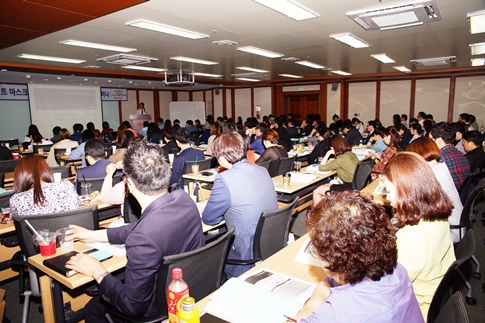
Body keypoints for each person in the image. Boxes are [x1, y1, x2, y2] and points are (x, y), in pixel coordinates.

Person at [65, 140, 205, 321]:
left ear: (128, 184)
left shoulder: (143, 237)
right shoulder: (183, 199)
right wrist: (92, 235)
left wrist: (97, 272)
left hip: (159, 307)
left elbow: (132, 307)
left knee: (93, 308)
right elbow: (141, 229)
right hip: (189, 288)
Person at [296, 191, 423, 323]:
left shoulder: (337, 314)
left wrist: (304, 312)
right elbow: (327, 283)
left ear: (333, 260)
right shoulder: (398, 271)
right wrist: (313, 303)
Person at [382, 152, 455, 319]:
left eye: (388, 190)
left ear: (405, 191)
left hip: (415, 310)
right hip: (433, 297)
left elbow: (384, 293)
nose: (388, 198)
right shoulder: (439, 216)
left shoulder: (411, 239)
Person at [202, 131, 278, 278]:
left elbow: (209, 219)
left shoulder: (224, 179)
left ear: (222, 157)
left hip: (244, 251)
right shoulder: (262, 170)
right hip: (268, 242)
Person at [406, 137, 464, 243]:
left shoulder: (433, 175)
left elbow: (419, 205)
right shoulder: (440, 167)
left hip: (450, 230)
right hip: (455, 224)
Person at [9, 155, 81, 216]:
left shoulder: (16, 200)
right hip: (70, 231)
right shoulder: (67, 186)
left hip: (36, 232)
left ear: (20, 177)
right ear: (47, 171)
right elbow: (78, 212)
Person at [312, 134, 359, 204]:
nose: (330, 148)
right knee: (325, 185)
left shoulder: (340, 159)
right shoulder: (351, 154)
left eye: (331, 147)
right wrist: (334, 161)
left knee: (317, 190)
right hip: (356, 184)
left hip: (349, 187)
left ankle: (316, 214)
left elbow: (321, 167)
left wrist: (328, 153)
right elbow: (344, 163)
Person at [429, 123, 470, 189]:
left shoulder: (440, 159)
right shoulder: (460, 154)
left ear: (439, 140)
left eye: (431, 139)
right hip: (462, 194)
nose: (429, 142)